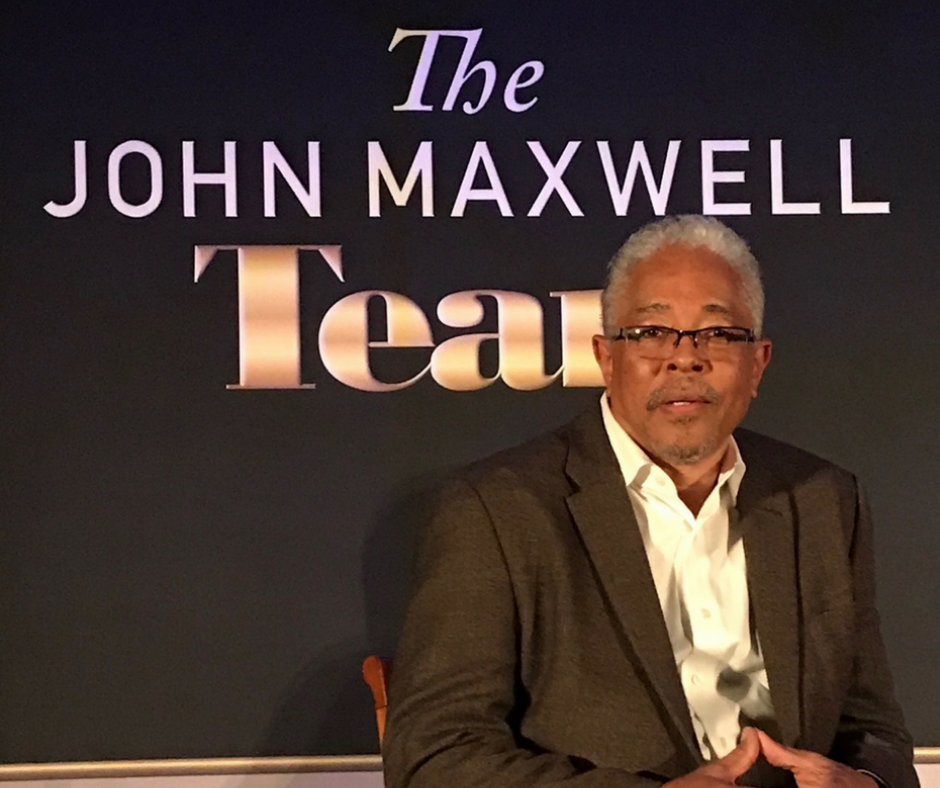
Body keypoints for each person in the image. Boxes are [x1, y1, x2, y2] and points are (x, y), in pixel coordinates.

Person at [383, 216, 918, 788]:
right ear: (605, 357)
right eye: (651, 332)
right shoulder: (497, 511)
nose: (685, 358)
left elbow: (874, 732)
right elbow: (434, 757)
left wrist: (866, 783)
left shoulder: (822, 499)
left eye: (718, 333)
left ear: (758, 363)